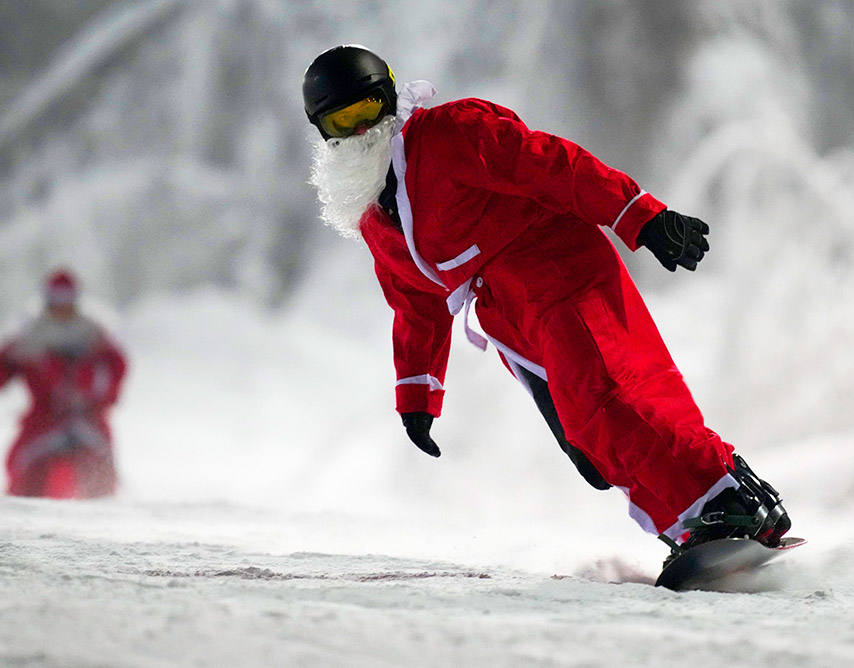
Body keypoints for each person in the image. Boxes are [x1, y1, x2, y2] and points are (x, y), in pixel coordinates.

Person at [303, 45, 791, 561]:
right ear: (323, 131)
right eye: (343, 121)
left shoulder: (450, 133)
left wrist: (639, 216)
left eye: (368, 110)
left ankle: (725, 499)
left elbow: (552, 164)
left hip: (556, 267)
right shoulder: (376, 218)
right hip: (508, 317)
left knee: (612, 394)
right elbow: (416, 303)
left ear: (390, 98)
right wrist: (418, 398)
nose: (361, 131)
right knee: (585, 440)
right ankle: (691, 523)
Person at [0, 269, 127, 499]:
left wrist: (76, 374)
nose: (62, 308)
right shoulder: (31, 336)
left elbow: (111, 382)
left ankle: (100, 519)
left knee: (100, 476)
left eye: (67, 302)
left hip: (88, 421)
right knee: (24, 471)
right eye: (56, 301)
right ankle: (20, 517)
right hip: (43, 422)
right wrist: (4, 364)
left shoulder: (94, 335)